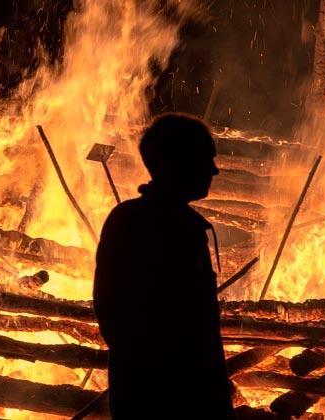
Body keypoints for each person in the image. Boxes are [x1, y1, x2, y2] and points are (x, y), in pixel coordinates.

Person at [93, 112, 237, 419]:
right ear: (180, 163)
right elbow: (196, 329)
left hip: (140, 390)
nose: (214, 169)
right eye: (205, 160)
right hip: (172, 399)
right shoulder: (171, 229)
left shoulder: (131, 220)